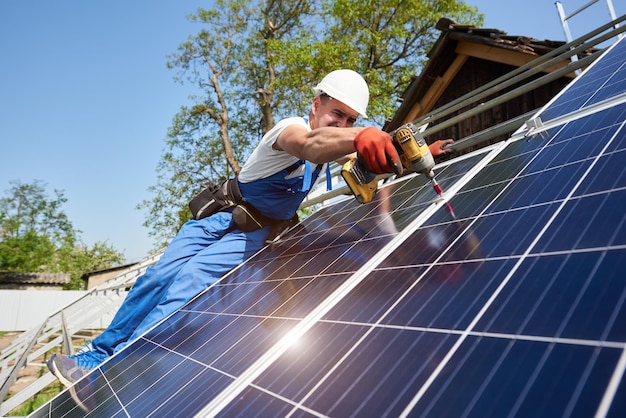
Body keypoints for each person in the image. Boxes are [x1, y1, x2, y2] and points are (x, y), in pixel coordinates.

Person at [47, 69, 453, 389]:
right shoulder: (290, 129)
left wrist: (407, 156)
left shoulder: (333, 148)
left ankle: (113, 371)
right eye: (337, 113)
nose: (343, 122)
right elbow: (313, 143)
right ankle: (92, 357)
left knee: (188, 287)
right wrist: (361, 133)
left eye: (351, 118)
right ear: (317, 104)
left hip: (255, 233)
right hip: (221, 216)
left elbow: (351, 161)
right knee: (158, 277)